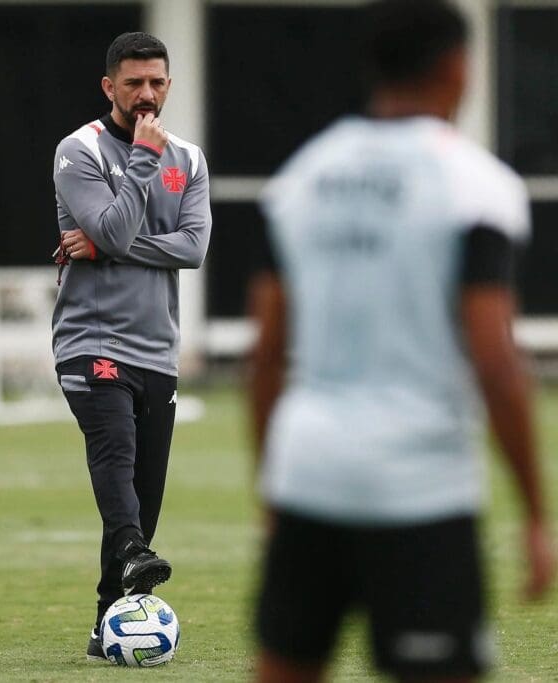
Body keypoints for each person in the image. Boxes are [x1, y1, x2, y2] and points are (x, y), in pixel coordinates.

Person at [247, 1, 556, 681]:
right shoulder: (476, 186)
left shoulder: (302, 179)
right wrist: (536, 512)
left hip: (310, 474)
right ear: (456, 67)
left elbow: (265, 354)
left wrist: (272, 487)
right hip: (423, 489)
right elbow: (495, 360)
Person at [51, 31, 211, 660]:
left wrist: (108, 245)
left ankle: (104, 626)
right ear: (108, 86)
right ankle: (133, 555)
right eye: (134, 83)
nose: (146, 95)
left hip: (156, 350)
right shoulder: (79, 150)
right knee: (115, 458)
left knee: (141, 498)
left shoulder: (190, 160)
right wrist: (139, 167)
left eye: (157, 83)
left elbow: (192, 249)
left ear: (168, 84)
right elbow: (116, 226)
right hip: (90, 339)